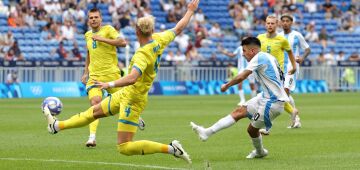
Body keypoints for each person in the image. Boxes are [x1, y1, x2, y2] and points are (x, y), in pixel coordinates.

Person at [43, 0, 200, 163]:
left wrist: (109, 84)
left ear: (137, 31)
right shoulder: (159, 39)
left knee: (124, 147)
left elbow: (133, 77)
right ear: (152, 30)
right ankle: (56, 126)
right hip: (126, 94)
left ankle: (172, 148)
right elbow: (179, 27)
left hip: (133, 100)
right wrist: (190, 10)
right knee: (94, 111)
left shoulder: (142, 54)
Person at [190, 37, 289, 159]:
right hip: (265, 97)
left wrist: (227, 85)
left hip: (272, 102)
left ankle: (260, 152)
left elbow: (242, 76)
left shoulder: (258, 57)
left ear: (252, 51)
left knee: (251, 130)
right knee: (239, 111)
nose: (242, 54)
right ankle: (206, 132)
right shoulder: (268, 57)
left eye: (244, 51)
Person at [81, 8, 145, 147]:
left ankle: (135, 116)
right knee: (95, 104)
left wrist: (102, 39)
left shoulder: (108, 29)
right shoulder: (87, 35)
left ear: (101, 19)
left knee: (125, 103)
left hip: (112, 76)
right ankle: (92, 138)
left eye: (96, 17)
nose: (93, 20)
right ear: (88, 20)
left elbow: (123, 42)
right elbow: (89, 53)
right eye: (91, 18)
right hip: (94, 78)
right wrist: (86, 72)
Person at [256, 15, 297, 135]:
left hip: (276, 74)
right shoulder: (260, 38)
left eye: (272, 23)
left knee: (269, 99)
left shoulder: (281, 39)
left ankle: (267, 127)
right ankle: (292, 110)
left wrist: (294, 67)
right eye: (268, 23)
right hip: (264, 73)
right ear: (265, 24)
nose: (270, 25)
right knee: (277, 99)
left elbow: (290, 52)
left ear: (276, 24)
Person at [279, 14, 311, 129]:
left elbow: (307, 49)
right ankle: (296, 119)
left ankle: (294, 117)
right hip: (281, 68)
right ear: (280, 23)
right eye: (283, 21)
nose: (285, 23)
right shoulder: (278, 36)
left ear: (291, 23)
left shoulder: (297, 35)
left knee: (285, 92)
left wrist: (302, 58)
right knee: (284, 93)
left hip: (292, 67)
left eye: (288, 21)